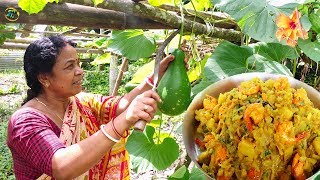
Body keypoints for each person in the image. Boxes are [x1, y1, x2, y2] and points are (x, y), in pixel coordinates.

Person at [7, 35, 176, 179]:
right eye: (69, 66)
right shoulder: (25, 122)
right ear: (44, 78)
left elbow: (121, 106)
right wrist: (122, 121)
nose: (80, 71)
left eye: (78, 63)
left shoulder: (79, 101)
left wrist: (158, 74)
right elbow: (61, 166)